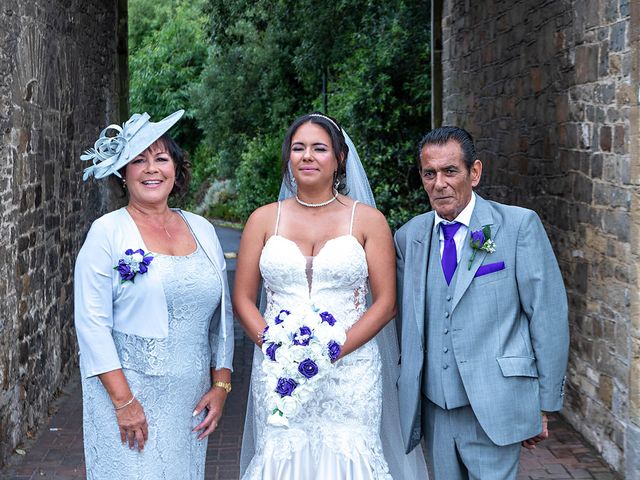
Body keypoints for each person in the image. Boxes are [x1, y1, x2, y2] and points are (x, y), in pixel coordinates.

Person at [234, 112, 428, 479]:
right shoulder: (262, 220)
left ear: (339, 158)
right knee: (282, 453)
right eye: (298, 148)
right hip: (280, 369)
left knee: (349, 455)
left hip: (351, 372)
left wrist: (332, 349)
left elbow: (385, 304)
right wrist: (274, 347)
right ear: (289, 157)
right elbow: (243, 298)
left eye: (319, 148)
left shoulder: (368, 220)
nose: (307, 156)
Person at [395, 126, 570, 479]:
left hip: (496, 403)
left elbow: (547, 317)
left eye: (450, 171)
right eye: (429, 173)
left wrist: (545, 404)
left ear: (474, 173)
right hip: (434, 411)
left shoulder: (518, 226)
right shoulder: (408, 237)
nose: (439, 183)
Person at [74, 110, 234, 479]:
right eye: (138, 160)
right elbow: (92, 326)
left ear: (176, 170)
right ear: (123, 173)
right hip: (128, 398)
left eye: (161, 159)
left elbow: (222, 319)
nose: (151, 169)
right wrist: (124, 402)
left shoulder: (202, 229)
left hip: (189, 402)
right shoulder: (106, 233)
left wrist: (221, 384)